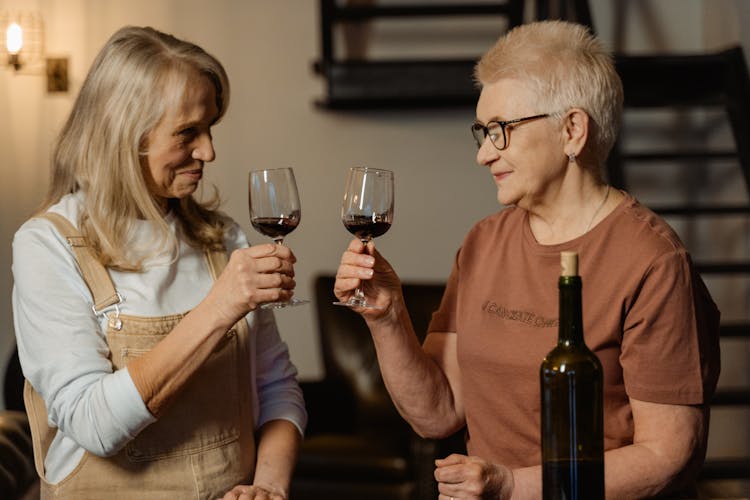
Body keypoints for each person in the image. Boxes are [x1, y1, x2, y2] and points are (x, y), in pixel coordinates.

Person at [334, 20, 720, 499]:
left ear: (572, 130)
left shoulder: (654, 262)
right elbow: (438, 412)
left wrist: (512, 485)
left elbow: (667, 455)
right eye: (482, 132)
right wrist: (387, 317)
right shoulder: (482, 243)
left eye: (501, 130)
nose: (483, 155)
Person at [12, 26, 306, 500]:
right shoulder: (48, 245)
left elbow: (276, 387)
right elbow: (95, 425)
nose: (209, 151)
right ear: (124, 134)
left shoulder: (223, 237)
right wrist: (219, 307)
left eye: (211, 127)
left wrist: (269, 487)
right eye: (188, 132)